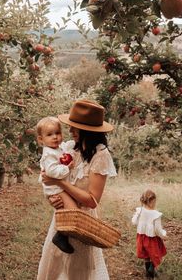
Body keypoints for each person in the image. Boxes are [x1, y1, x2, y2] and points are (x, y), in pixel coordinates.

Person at [37, 99, 117, 280]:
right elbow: (46, 174)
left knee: (78, 269)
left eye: (74, 127)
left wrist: (61, 184)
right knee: (56, 266)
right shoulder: (68, 147)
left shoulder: (100, 155)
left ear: (87, 130)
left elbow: (92, 200)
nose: (70, 131)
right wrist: (52, 198)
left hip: (82, 222)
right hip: (63, 217)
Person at [35, 116, 78, 254]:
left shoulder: (57, 149)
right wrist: (68, 168)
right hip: (56, 189)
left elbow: (67, 148)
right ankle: (61, 235)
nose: (55, 137)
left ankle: (63, 235)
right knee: (72, 210)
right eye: (49, 134)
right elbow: (52, 172)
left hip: (59, 187)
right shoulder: (48, 154)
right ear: (41, 139)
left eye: (57, 133)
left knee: (70, 210)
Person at [132, 189, 167, 278]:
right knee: (157, 254)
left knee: (146, 255)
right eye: (154, 201)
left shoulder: (139, 211)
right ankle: (151, 269)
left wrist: (137, 215)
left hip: (141, 237)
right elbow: (157, 230)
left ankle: (149, 273)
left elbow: (134, 222)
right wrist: (164, 235)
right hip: (152, 239)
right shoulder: (156, 214)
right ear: (152, 201)